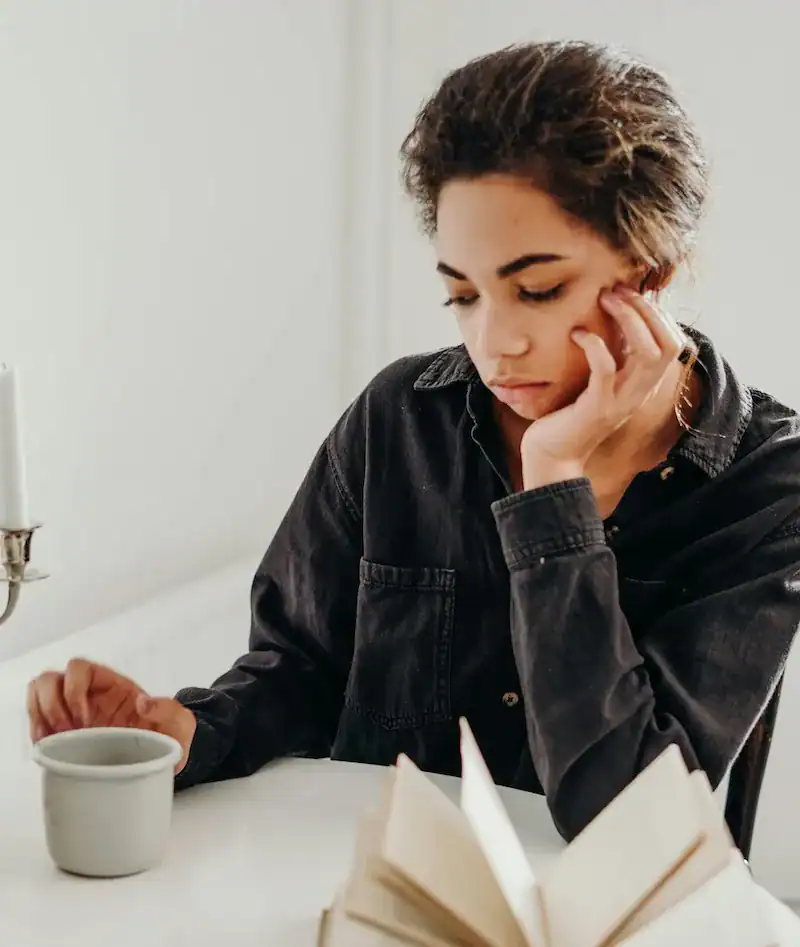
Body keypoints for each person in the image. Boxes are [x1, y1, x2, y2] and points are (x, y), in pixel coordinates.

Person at [26, 40, 800, 841]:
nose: (494, 342)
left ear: (651, 273)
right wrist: (184, 731)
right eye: (462, 294)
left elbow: (627, 818)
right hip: (384, 898)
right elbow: (299, 668)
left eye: (536, 289)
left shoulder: (769, 485)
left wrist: (551, 489)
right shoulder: (400, 418)